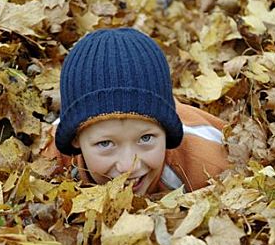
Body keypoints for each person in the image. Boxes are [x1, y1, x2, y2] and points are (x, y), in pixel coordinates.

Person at [42, 28, 229, 196]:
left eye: (146, 138)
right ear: (76, 140)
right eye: (105, 143)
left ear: (166, 131)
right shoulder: (53, 161)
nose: (128, 166)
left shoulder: (206, 167)